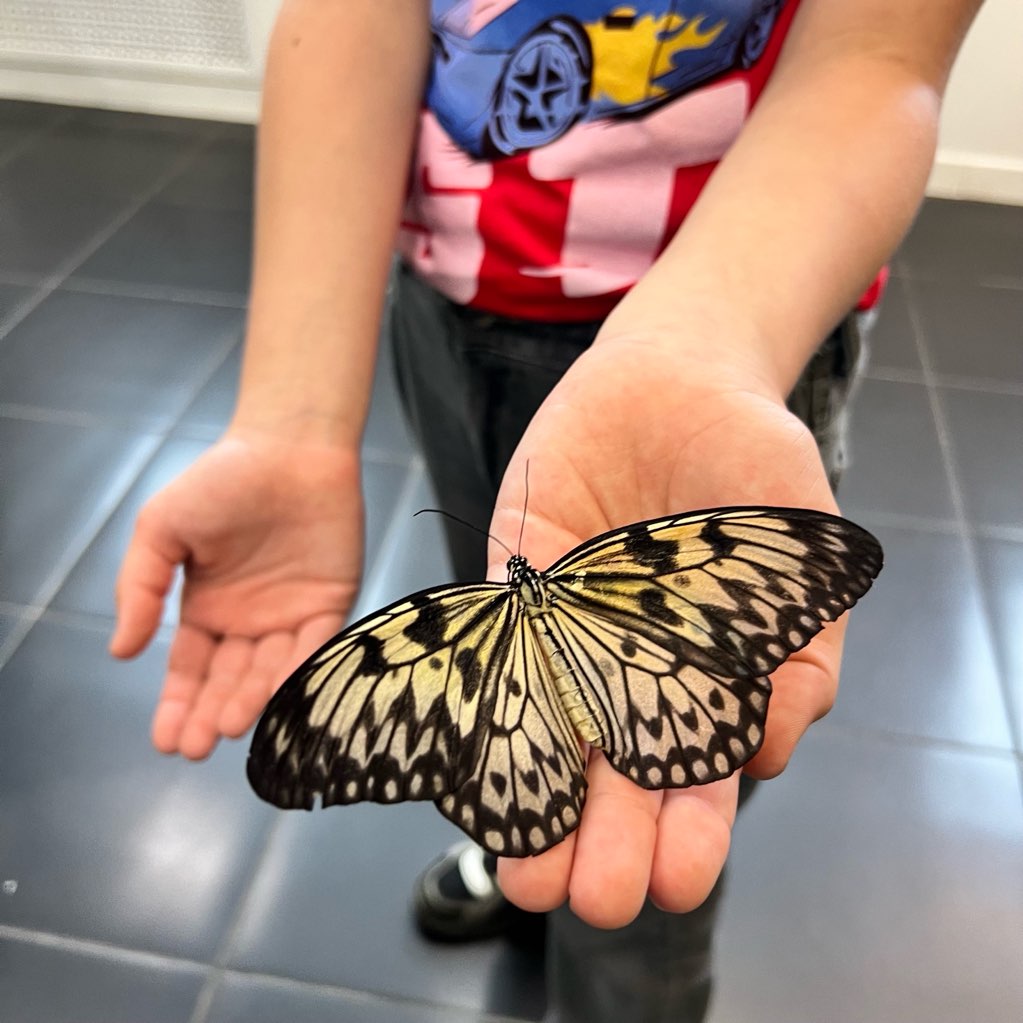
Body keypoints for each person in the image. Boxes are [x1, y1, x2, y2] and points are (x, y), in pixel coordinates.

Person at [110, 1, 981, 1019]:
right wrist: (289, 420)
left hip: (738, 324)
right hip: (448, 292)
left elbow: (877, 54)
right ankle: (519, 826)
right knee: (489, 656)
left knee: (644, 867)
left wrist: (704, 344)